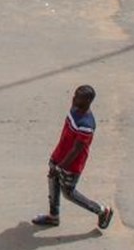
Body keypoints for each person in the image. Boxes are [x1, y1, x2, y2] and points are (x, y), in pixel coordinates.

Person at [32, 84, 114, 231]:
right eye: (75, 95)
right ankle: (53, 216)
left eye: (78, 97)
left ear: (87, 101)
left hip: (71, 165)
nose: (74, 98)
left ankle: (102, 211)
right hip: (58, 156)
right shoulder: (75, 108)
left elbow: (76, 150)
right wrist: (56, 163)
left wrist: (60, 167)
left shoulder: (87, 125)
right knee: (52, 181)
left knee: (69, 193)